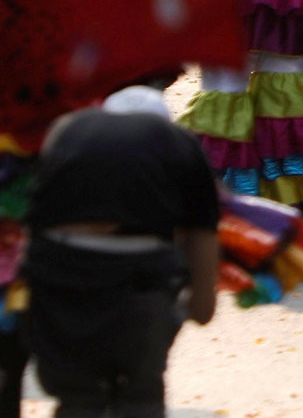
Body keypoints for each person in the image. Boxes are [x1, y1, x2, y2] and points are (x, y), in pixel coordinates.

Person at [24, 82, 220, 418]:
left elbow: (35, 210)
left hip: (58, 276)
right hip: (140, 282)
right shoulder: (178, 142)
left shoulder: (68, 129)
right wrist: (202, 302)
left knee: (78, 397)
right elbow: (200, 233)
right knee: (141, 396)